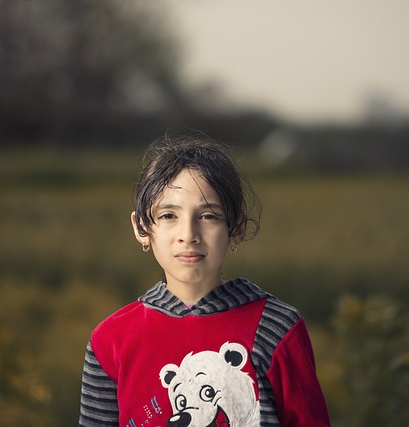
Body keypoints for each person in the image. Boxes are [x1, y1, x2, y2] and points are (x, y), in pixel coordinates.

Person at [78, 131, 331, 427]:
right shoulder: (110, 340)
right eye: (169, 216)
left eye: (208, 215)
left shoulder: (277, 328)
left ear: (236, 227)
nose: (189, 234)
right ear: (142, 228)